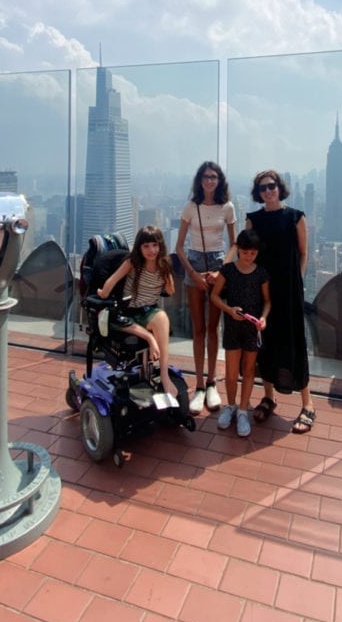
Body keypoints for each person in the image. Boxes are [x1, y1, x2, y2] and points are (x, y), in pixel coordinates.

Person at [241, 169, 316, 434]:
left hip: (289, 291)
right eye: (262, 188)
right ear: (258, 193)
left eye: (271, 186)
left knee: (294, 341)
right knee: (266, 342)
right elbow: (245, 252)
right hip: (262, 290)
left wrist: (298, 282)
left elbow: (303, 253)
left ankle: (308, 404)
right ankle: (269, 396)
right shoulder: (253, 220)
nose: (268, 191)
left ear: (279, 187)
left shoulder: (296, 217)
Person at [175, 161, 236, 414]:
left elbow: (234, 244)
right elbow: (179, 247)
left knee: (214, 328)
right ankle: (199, 385)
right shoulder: (191, 206)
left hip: (218, 264)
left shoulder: (227, 207)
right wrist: (193, 274)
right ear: (200, 180)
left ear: (220, 180)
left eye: (214, 177)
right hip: (195, 263)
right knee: (198, 328)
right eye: (206, 177)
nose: (210, 181)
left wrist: (221, 270)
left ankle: (212, 382)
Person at [97, 225, 178, 400]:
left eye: (155, 245)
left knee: (162, 317)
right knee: (121, 321)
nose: (151, 250)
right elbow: (112, 281)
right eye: (146, 246)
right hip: (127, 313)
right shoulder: (132, 263)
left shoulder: (163, 264)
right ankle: (150, 339)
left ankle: (164, 375)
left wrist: (166, 271)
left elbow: (171, 291)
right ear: (139, 248)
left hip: (148, 311)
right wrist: (103, 294)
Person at [210, 229, 270, 437]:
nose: (249, 256)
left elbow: (268, 300)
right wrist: (228, 310)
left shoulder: (261, 272)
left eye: (253, 253)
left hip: (252, 329)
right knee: (231, 371)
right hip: (233, 326)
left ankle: (243, 410)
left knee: (250, 370)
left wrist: (263, 318)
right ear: (238, 251)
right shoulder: (228, 270)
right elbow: (215, 296)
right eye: (245, 252)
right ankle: (231, 406)